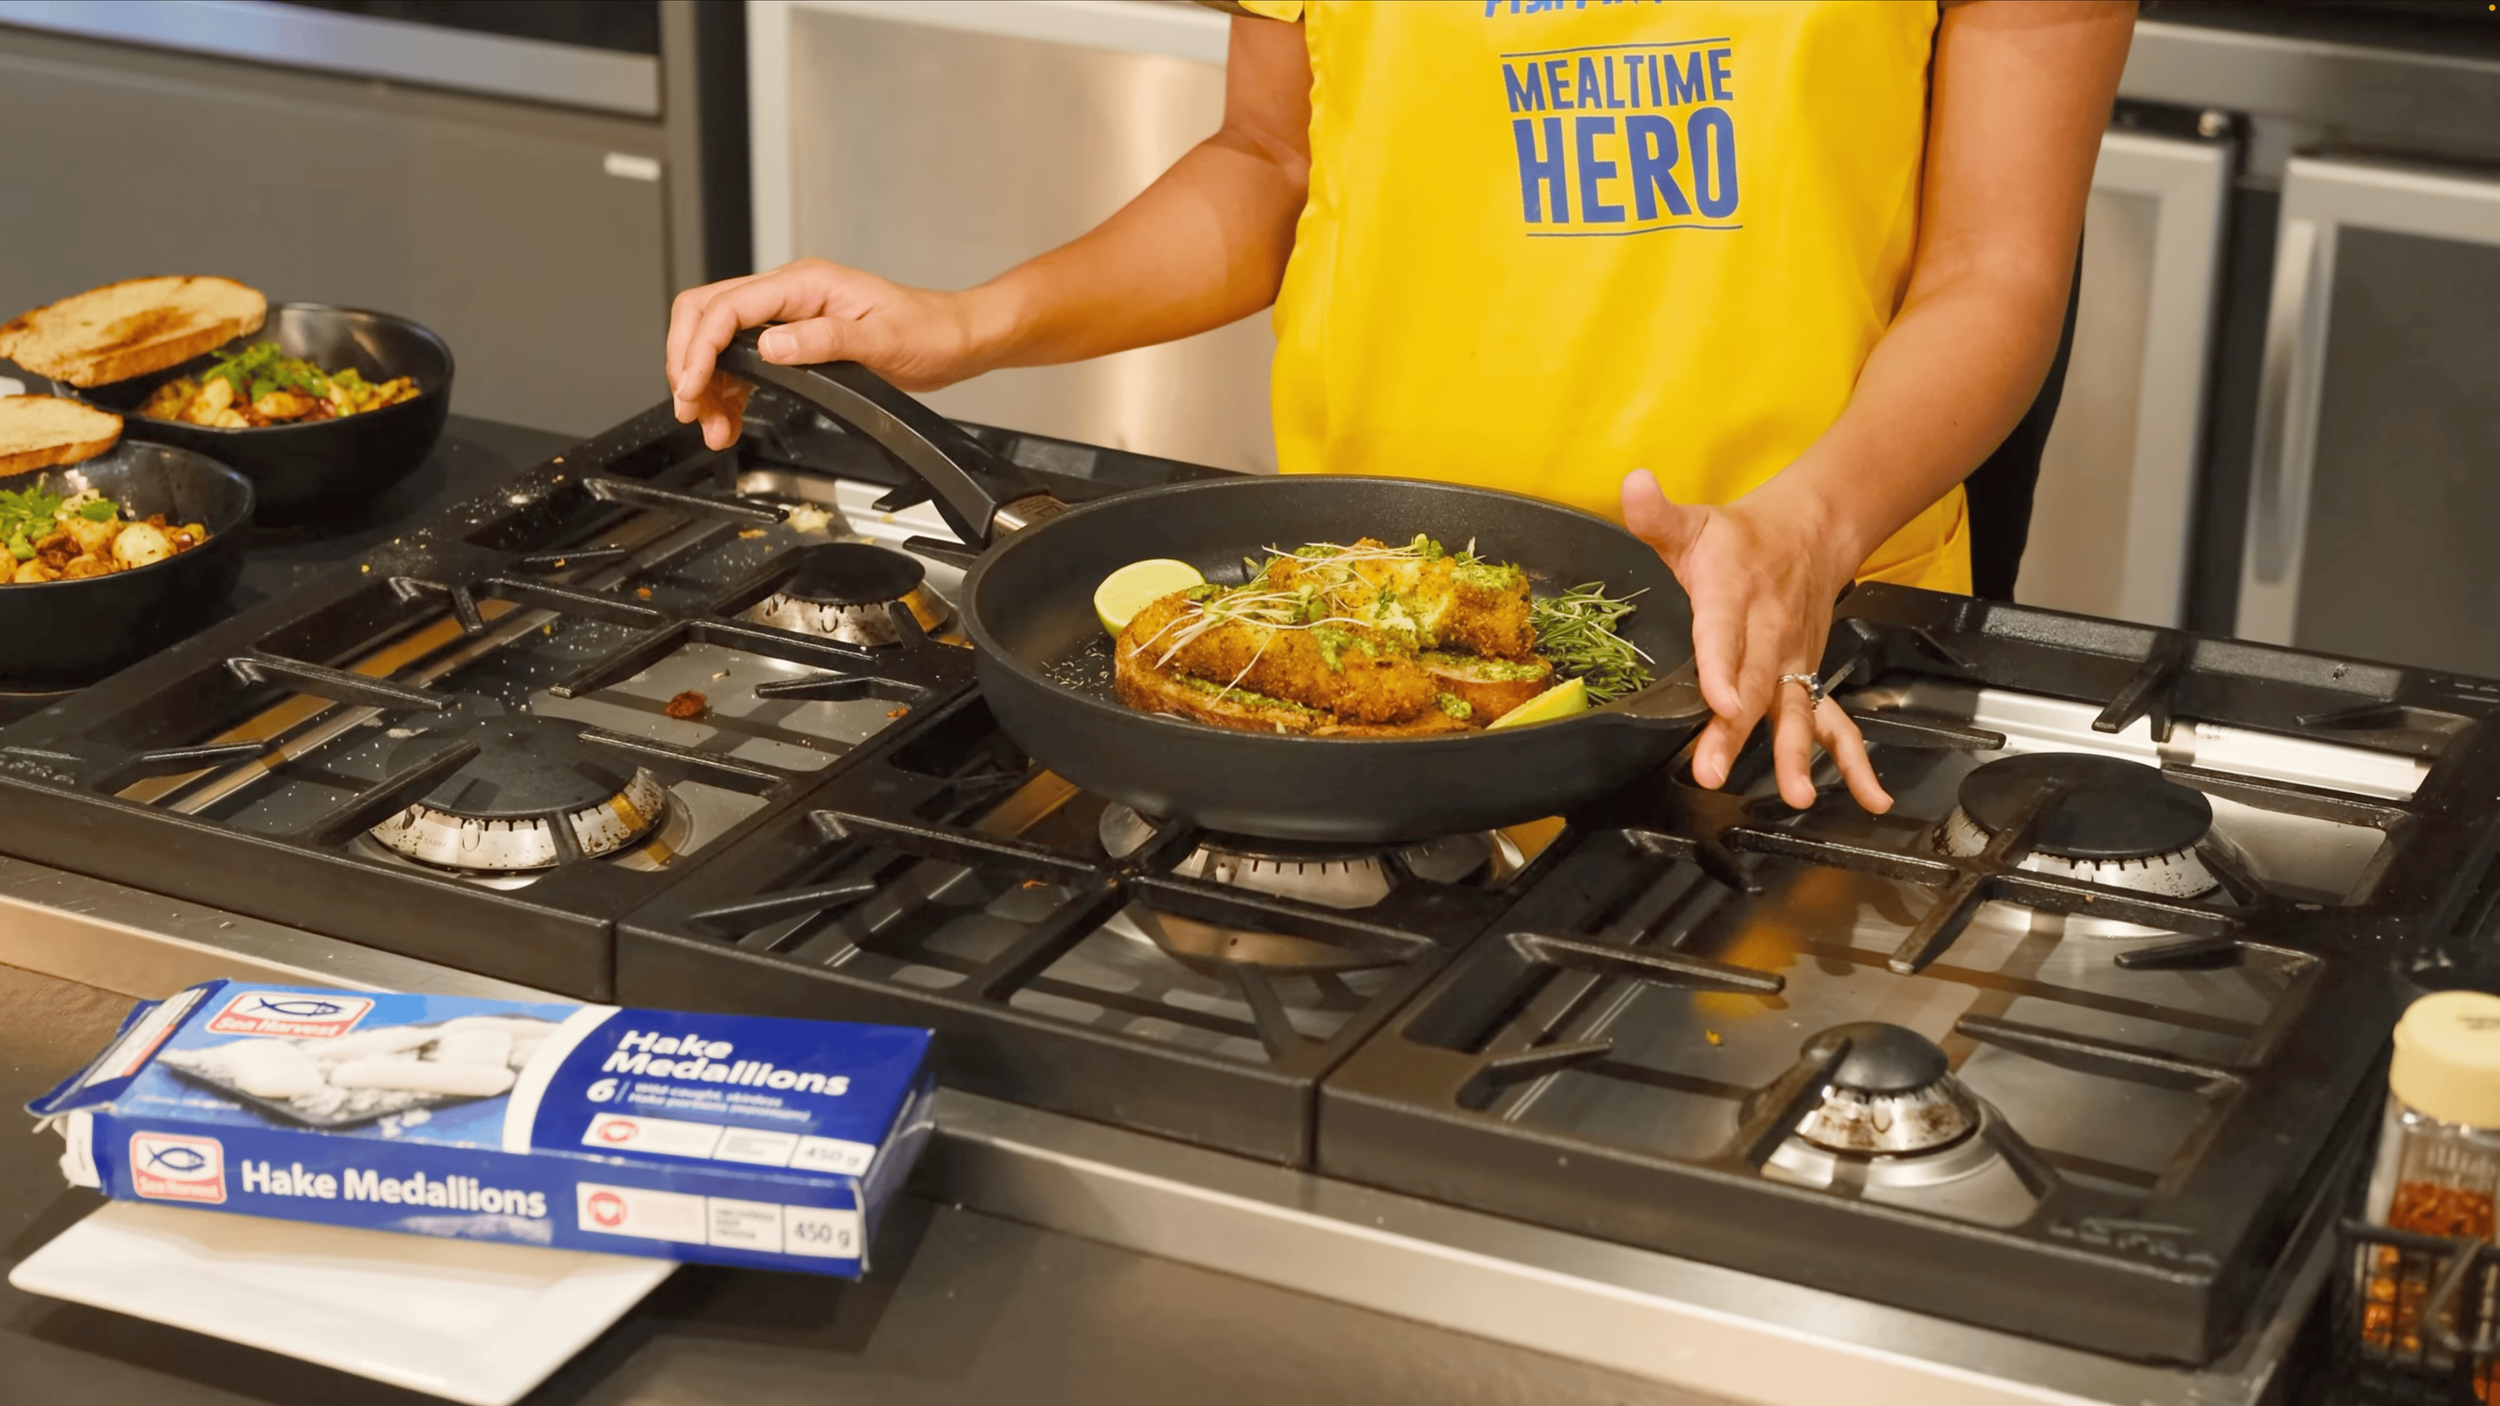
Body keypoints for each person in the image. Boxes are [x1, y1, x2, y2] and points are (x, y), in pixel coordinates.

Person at [665, 0, 2135, 816]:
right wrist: (969, 323)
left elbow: (1996, 267)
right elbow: (1272, 164)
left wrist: (1808, 530)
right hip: (1346, 672)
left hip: (1784, 668)